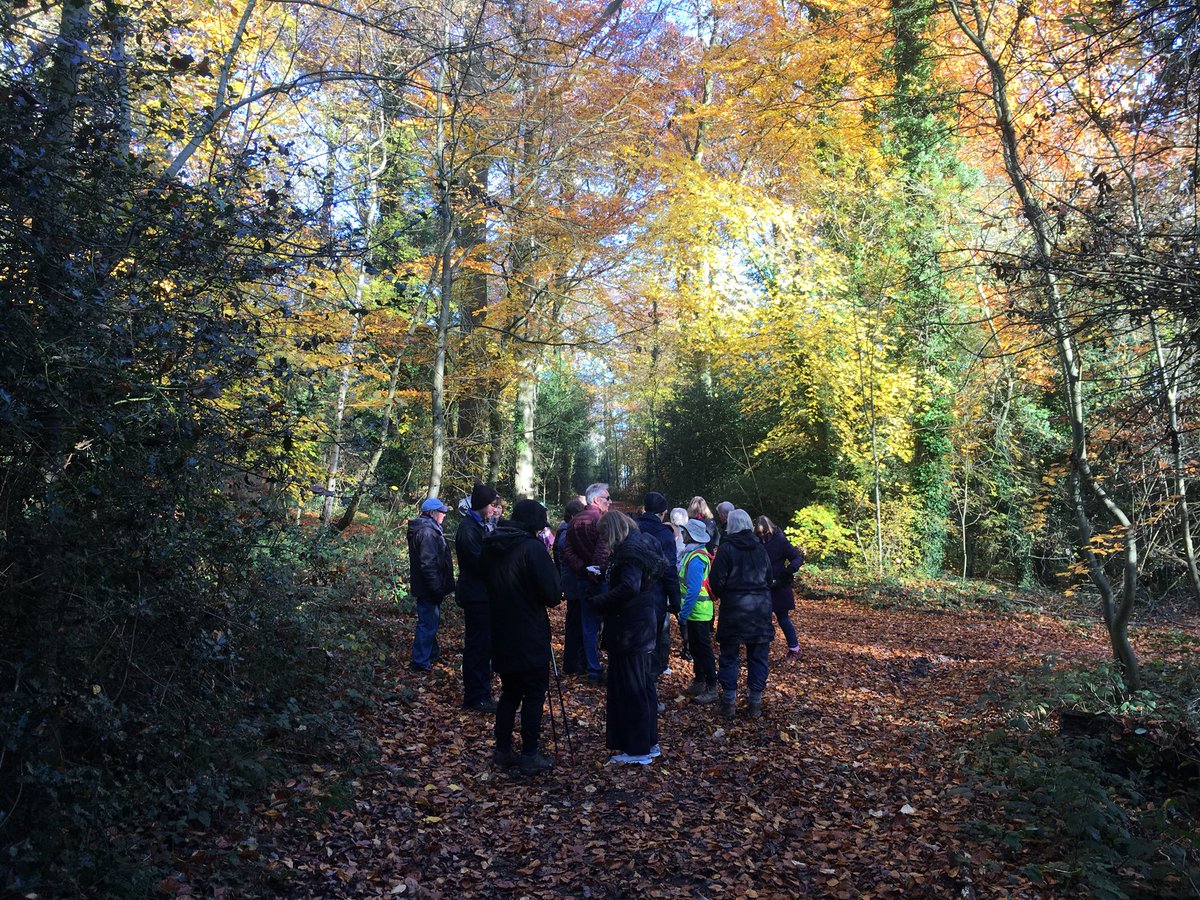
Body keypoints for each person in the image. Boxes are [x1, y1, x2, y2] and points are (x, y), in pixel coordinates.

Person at [483, 499, 562, 776]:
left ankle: (502, 749)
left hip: (502, 629)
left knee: (510, 691)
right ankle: (530, 753)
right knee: (533, 693)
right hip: (529, 630)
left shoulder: (493, 545)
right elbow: (553, 594)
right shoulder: (531, 548)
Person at [593, 511, 665, 765]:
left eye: (603, 534)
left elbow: (629, 586)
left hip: (630, 628)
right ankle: (648, 742)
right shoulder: (642, 543)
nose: (602, 540)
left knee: (631, 687)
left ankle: (637, 749)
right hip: (641, 623)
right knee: (642, 685)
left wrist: (599, 601)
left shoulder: (630, 551)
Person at [709, 508, 772, 719]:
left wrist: (725, 593)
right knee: (758, 657)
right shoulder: (761, 548)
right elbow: (768, 577)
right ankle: (755, 703)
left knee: (729, 656)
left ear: (730, 526)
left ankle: (728, 702)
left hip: (734, 609)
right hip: (760, 608)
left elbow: (716, 580)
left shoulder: (726, 549)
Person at [560, 483, 613, 684]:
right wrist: (595, 571)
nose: (610, 502)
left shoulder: (574, 522)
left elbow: (568, 552)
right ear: (596, 500)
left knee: (588, 625)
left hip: (583, 580)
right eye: (607, 498)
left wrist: (583, 569)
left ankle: (593, 669)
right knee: (611, 621)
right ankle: (607, 668)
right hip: (600, 581)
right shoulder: (602, 520)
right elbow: (603, 550)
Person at [455, 483, 501, 712]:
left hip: (482, 595)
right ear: (483, 505)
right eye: (492, 505)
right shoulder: (468, 529)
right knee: (478, 646)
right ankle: (476, 697)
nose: (495, 510)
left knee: (484, 645)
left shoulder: (477, 525)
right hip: (476, 596)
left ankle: (482, 692)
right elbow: (479, 563)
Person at [634, 492, 682, 679]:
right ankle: (649, 689)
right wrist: (676, 600)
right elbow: (669, 570)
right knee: (652, 640)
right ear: (663, 513)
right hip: (655, 594)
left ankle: (637, 681)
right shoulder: (664, 534)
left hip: (632, 590)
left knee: (636, 639)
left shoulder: (633, 528)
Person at [407, 497, 456, 672]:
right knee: (427, 623)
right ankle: (420, 662)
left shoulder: (427, 528)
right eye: (441, 511)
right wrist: (436, 588)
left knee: (430, 622)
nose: (444, 514)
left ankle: (431, 655)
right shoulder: (427, 532)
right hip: (428, 588)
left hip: (428, 586)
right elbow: (428, 564)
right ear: (432, 513)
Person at [754, 515, 805, 662]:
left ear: (769, 530)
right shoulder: (756, 542)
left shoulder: (780, 541)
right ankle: (763, 651)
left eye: (764, 533)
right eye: (759, 534)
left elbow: (797, 557)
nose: (762, 536)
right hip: (763, 586)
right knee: (763, 619)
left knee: (783, 619)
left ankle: (794, 649)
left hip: (779, 585)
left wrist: (789, 570)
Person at [678, 519, 717, 703]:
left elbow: (693, 589)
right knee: (695, 647)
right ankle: (699, 680)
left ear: (691, 535)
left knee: (703, 649)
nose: (682, 535)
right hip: (696, 611)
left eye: (685, 532)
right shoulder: (692, 554)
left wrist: (683, 614)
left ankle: (711, 686)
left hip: (698, 611)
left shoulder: (696, 558)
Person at [554, 497, 587, 675]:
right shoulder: (567, 533)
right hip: (574, 584)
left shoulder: (564, 530)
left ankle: (574, 661)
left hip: (571, 582)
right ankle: (572, 663)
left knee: (575, 623)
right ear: (573, 515)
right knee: (575, 624)